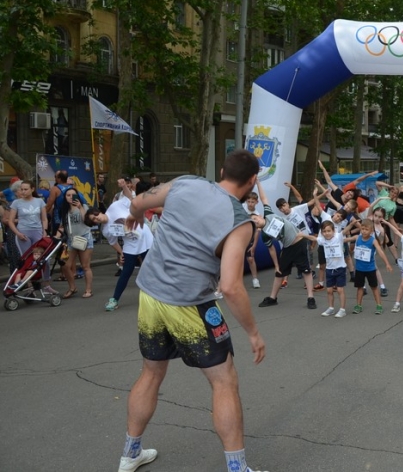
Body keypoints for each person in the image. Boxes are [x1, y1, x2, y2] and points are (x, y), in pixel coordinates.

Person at [117, 149, 266, 472]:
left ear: (222, 169)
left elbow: (139, 202)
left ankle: (130, 453)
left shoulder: (187, 184)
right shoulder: (239, 222)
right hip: (189, 304)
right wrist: (253, 333)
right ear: (252, 181)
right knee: (224, 382)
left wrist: (136, 215)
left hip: (151, 294)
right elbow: (230, 286)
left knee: (151, 373)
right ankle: (238, 469)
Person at [55, 187, 94, 299]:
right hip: (72, 240)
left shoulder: (84, 207)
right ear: (65, 197)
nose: (71, 197)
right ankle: (72, 287)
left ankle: (88, 290)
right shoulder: (65, 211)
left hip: (84, 238)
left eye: (73, 195)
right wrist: (55, 237)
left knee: (85, 266)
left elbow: (87, 221)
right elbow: (62, 226)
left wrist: (80, 207)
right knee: (65, 265)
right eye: (68, 195)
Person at [351, 218, 392, 314]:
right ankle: (358, 305)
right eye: (362, 229)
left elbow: (380, 252)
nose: (364, 231)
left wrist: (387, 263)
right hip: (359, 269)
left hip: (370, 269)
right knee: (360, 287)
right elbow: (343, 239)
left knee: (374, 287)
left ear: (371, 231)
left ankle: (379, 306)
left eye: (366, 229)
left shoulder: (373, 241)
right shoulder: (357, 238)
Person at [317, 220, 350, 318]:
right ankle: (331, 308)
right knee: (329, 290)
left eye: (328, 231)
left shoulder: (338, 237)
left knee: (340, 290)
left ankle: (342, 309)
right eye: (324, 231)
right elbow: (314, 238)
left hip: (340, 268)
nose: (327, 233)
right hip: (329, 269)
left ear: (333, 231)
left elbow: (345, 231)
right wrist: (302, 235)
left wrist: (352, 224)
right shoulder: (323, 240)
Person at [8, 180, 48, 257]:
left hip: (37, 231)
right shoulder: (16, 203)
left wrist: (45, 231)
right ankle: (26, 269)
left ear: (32, 189)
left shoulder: (39, 201)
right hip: (23, 231)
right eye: (21, 189)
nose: (23, 191)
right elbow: (10, 221)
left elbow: (44, 219)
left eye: (25, 189)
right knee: (26, 257)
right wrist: (18, 233)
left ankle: (39, 269)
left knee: (39, 256)